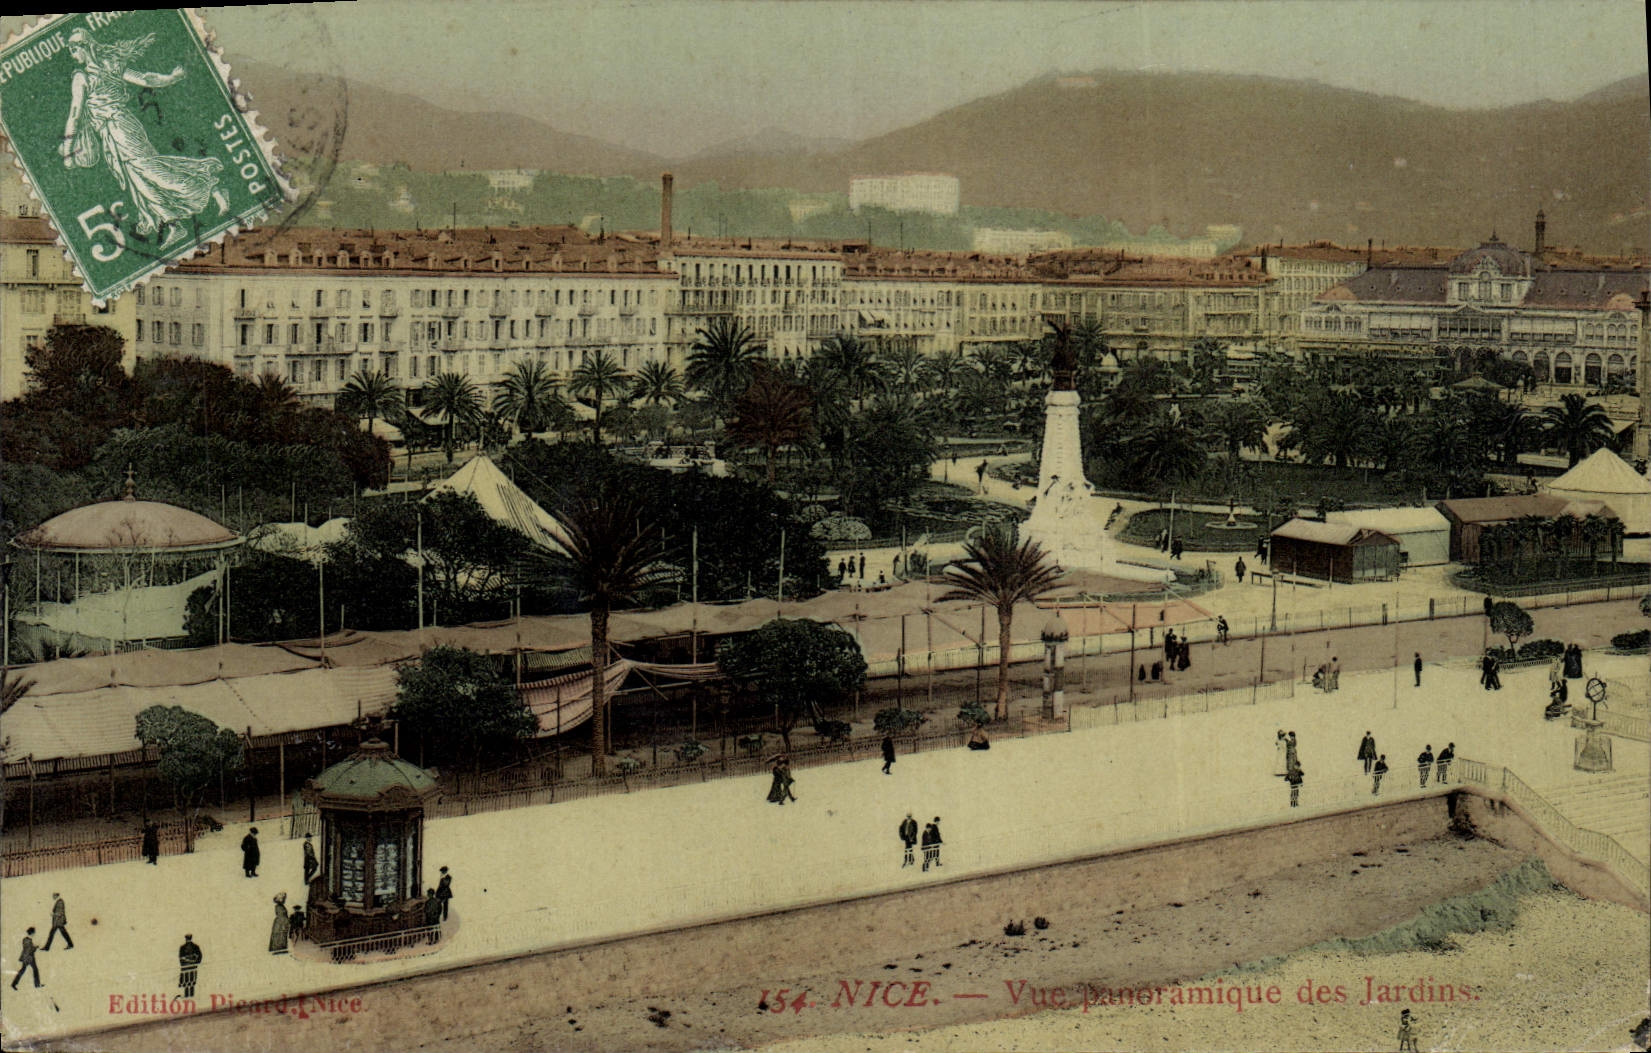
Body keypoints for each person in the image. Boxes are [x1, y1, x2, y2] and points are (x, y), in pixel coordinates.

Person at [60, 28, 229, 245]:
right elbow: (146, 79)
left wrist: (67, 151)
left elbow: (74, 114)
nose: (74, 56)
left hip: (119, 128)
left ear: (86, 47)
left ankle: (211, 185)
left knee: (151, 171)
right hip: (113, 132)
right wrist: (170, 77)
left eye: (74, 50)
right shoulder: (111, 66)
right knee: (138, 179)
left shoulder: (83, 77)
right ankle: (172, 224)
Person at [178, 935, 201, 999]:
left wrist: (188, 961)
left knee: (190, 981)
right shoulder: (194, 946)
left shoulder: (184, 947)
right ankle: (189, 995)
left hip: (188, 967)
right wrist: (194, 961)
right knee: (189, 981)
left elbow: (199, 956)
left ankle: (189, 995)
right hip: (189, 967)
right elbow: (181, 958)